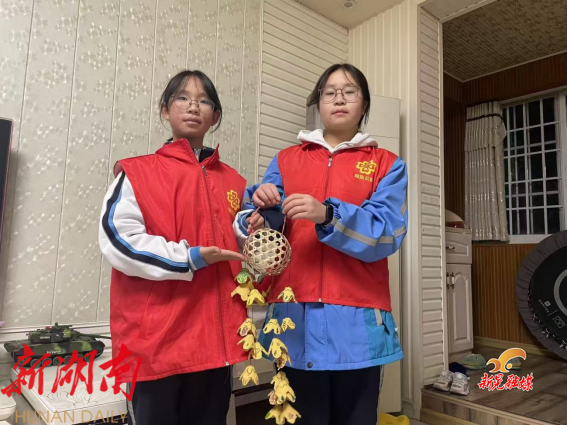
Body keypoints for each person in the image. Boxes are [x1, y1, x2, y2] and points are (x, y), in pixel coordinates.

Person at [235, 63, 408, 425]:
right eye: (330, 92)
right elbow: (266, 224)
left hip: (358, 322)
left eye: (349, 91)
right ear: (318, 103)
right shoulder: (286, 159)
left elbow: (387, 233)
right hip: (294, 320)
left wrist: (328, 215)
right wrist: (260, 210)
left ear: (364, 104)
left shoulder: (388, 165)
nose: (339, 99)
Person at [99, 70, 256, 425]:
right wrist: (189, 257)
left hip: (216, 345)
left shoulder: (234, 181)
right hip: (155, 347)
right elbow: (118, 239)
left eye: (204, 101)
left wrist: (252, 225)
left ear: (215, 117)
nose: (193, 106)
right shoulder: (137, 172)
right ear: (165, 109)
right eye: (183, 98)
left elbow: (238, 243)